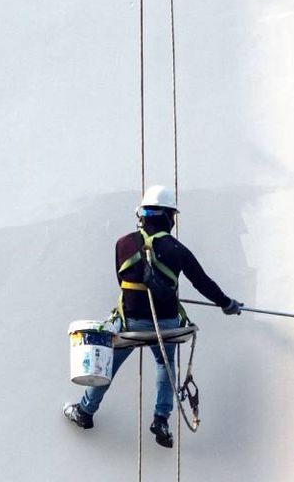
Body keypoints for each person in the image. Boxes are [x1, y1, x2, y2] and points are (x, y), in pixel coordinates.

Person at [64, 185, 241, 448]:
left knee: (108, 364)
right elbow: (202, 282)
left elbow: (120, 280)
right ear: (170, 217)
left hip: (131, 323)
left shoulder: (123, 244)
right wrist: (227, 304)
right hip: (166, 325)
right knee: (165, 366)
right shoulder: (177, 249)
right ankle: (161, 419)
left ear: (142, 215)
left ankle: (86, 411)